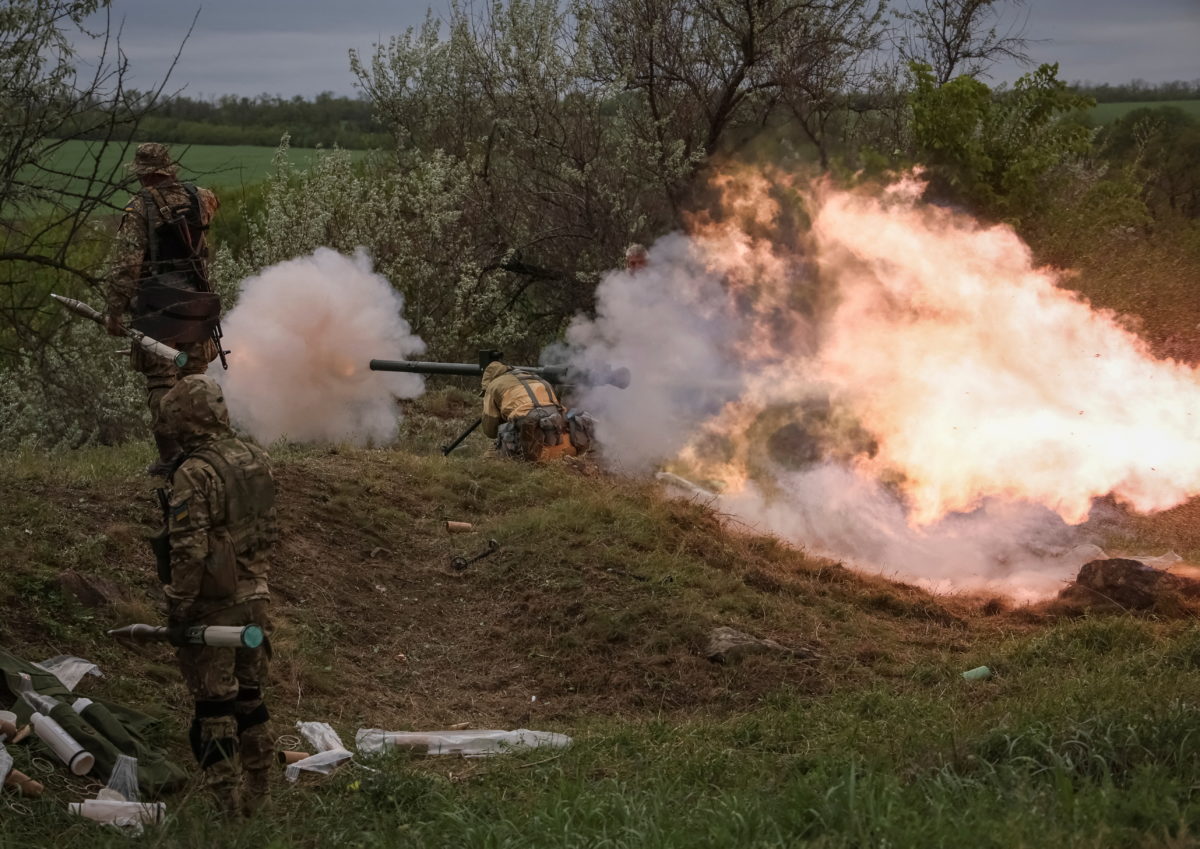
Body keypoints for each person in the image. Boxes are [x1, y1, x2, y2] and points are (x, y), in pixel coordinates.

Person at [156, 374, 278, 817]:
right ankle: (260, 795)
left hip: (215, 606)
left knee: (214, 707)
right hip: (256, 596)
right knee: (252, 699)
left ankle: (226, 808)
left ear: (185, 418)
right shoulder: (257, 457)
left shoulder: (195, 473)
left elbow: (188, 548)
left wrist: (179, 607)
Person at [104, 142, 222, 476]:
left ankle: (171, 457)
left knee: (161, 382)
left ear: (143, 174)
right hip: (199, 303)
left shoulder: (139, 208)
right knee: (196, 378)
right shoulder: (203, 197)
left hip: (158, 307)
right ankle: (206, 452)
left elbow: (126, 266)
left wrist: (114, 311)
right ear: (169, 169)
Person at [480, 361, 595, 460]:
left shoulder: (493, 386)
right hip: (564, 446)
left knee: (490, 455)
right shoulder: (538, 379)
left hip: (534, 451)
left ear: (489, 380)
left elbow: (490, 430)